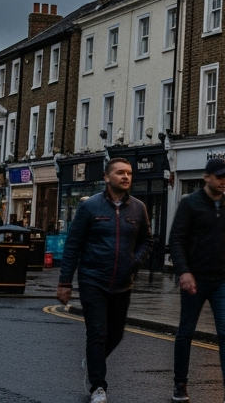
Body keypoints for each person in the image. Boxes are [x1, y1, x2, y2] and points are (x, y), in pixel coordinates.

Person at [57, 157, 153, 403]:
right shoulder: (90, 207)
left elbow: (147, 240)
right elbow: (73, 244)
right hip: (93, 280)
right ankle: (98, 387)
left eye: (129, 173)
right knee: (97, 333)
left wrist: (135, 261)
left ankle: (92, 360)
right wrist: (65, 282)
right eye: (120, 173)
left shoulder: (138, 208)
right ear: (107, 177)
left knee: (116, 334)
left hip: (124, 282)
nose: (126, 177)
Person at [168, 158, 225, 403]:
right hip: (195, 279)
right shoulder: (189, 204)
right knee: (186, 331)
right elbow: (176, 239)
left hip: (224, 279)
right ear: (206, 177)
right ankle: (180, 383)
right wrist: (183, 271)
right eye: (219, 177)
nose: (224, 181)